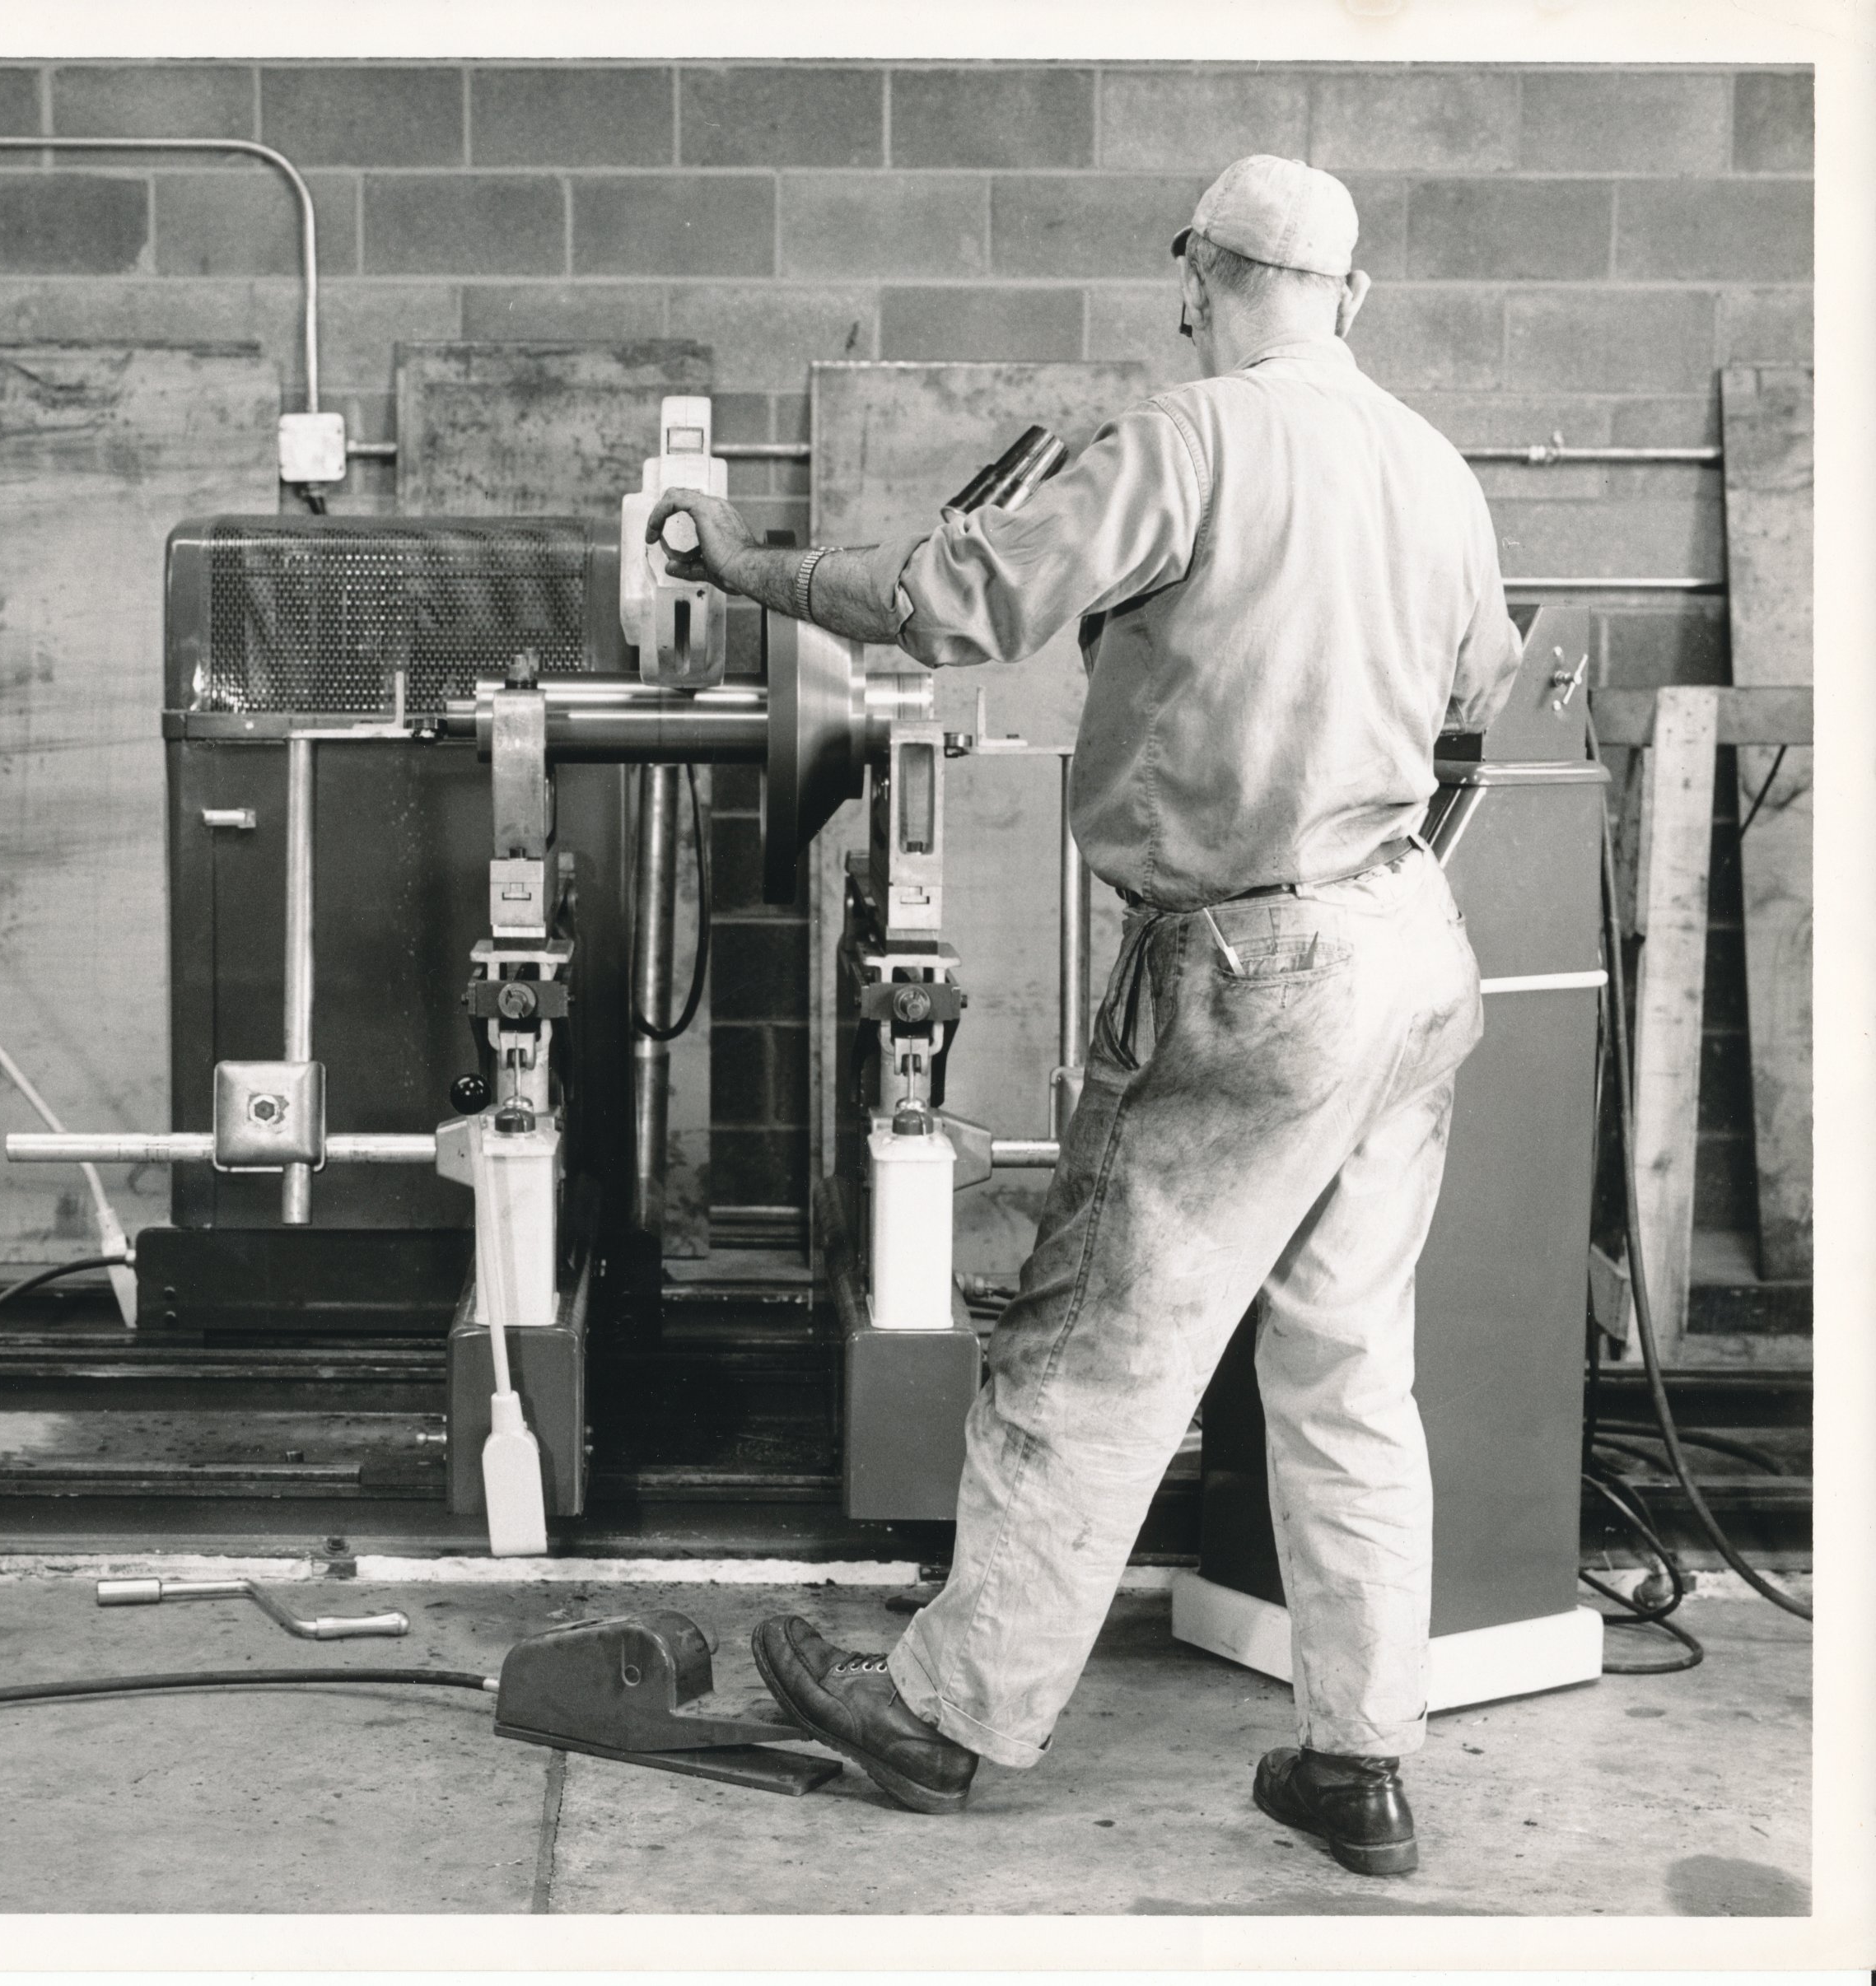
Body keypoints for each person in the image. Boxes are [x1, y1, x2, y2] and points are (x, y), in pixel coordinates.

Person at [646, 155, 1523, 1877]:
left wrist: (745, 563)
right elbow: (1477, 686)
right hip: (1409, 945)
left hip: (1253, 966)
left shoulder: (1190, 439)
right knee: (1346, 1370)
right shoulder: (1431, 464)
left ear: (1196, 279)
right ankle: (1358, 1761)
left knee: (1085, 1357)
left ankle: (947, 1714)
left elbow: (948, 603)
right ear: (1349, 296)